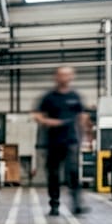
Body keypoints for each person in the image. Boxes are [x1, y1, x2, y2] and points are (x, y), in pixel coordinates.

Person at [31, 66, 88, 216]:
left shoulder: (75, 96)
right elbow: (37, 115)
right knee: (54, 174)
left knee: (73, 172)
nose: (64, 78)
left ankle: (77, 204)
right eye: (62, 75)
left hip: (71, 140)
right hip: (53, 141)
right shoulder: (49, 97)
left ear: (71, 77)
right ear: (56, 77)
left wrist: (84, 135)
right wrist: (48, 122)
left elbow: (82, 116)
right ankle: (54, 204)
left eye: (67, 75)